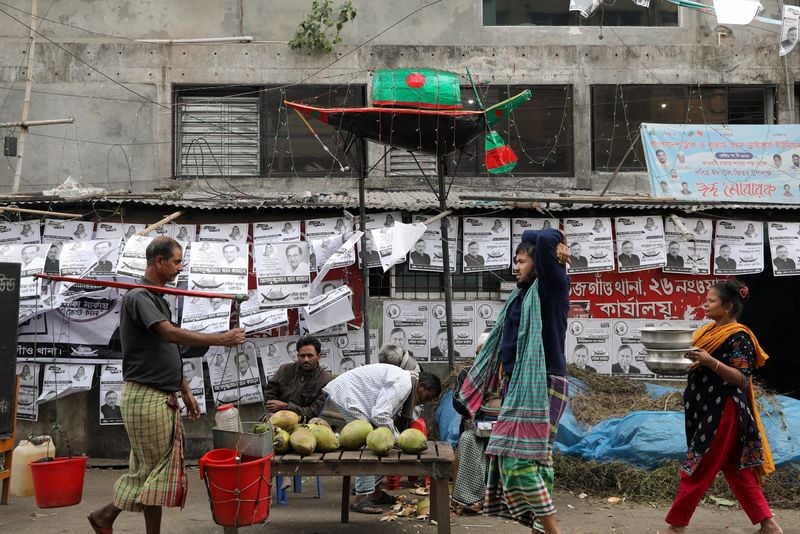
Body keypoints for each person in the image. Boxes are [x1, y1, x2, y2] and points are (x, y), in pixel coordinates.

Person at [88, 236, 245, 534]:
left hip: (161, 396)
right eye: (176, 262)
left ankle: (105, 517)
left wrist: (185, 390)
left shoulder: (157, 298)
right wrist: (220, 339)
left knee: (149, 471)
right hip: (146, 397)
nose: (179, 268)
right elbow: (169, 335)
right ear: (158, 262)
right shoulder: (139, 297)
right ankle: (105, 516)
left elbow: (166, 350)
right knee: (153, 473)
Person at [456, 226, 570, 534]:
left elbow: (545, 238)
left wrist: (560, 239)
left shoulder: (553, 286)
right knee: (537, 462)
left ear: (540, 263)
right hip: (518, 383)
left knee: (516, 461)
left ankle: (552, 530)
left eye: (521, 261)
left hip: (543, 380)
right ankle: (539, 529)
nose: (514, 267)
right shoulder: (522, 295)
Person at [663, 281, 782, 534]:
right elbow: (705, 363)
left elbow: (741, 378)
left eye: (711, 301)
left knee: (697, 466)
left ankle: (675, 526)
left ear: (727, 307)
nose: (705, 304)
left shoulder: (740, 337)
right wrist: (699, 363)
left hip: (723, 412)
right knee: (738, 470)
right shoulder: (707, 332)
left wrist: (709, 361)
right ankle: (768, 525)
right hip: (705, 409)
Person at [322, 364, 441, 514]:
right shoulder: (403, 383)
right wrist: (398, 438)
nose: (424, 402)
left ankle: (375, 493)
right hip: (347, 395)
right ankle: (361, 497)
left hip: (351, 395)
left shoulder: (407, 380)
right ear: (421, 386)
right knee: (370, 444)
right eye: (427, 397)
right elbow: (380, 415)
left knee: (381, 444)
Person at [452, 329, 492, 513]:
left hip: (504, 429)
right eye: (479, 353)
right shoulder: (467, 374)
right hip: (474, 427)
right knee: (468, 440)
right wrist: (475, 399)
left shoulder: (506, 373)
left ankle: (499, 497)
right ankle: (469, 498)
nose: (482, 357)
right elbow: (458, 403)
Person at [263, 335, 333, 419]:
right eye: (302, 356)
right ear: (298, 356)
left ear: (318, 356)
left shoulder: (326, 380)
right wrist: (275, 409)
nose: (306, 359)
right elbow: (270, 393)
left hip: (306, 424)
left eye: (310, 355)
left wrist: (286, 406)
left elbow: (313, 412)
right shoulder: (285, 370)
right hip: (278, 417)